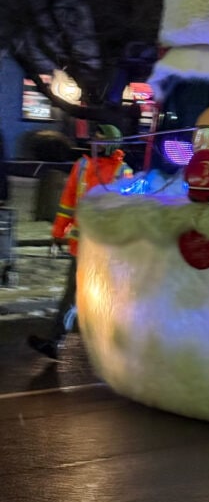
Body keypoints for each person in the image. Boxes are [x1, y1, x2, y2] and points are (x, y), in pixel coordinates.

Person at [28, 125, 132, 361]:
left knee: (107, 296)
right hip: (82, 247)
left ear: (113, 144)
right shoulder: (82, 166)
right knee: (73, 295)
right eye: (94, 141)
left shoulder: (123, 173)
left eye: (101, 141)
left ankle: (121, 344)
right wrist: (58, 232)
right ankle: (56, 341)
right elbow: (68, 201)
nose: (95, 145)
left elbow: (127, 213)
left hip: (106, 249)